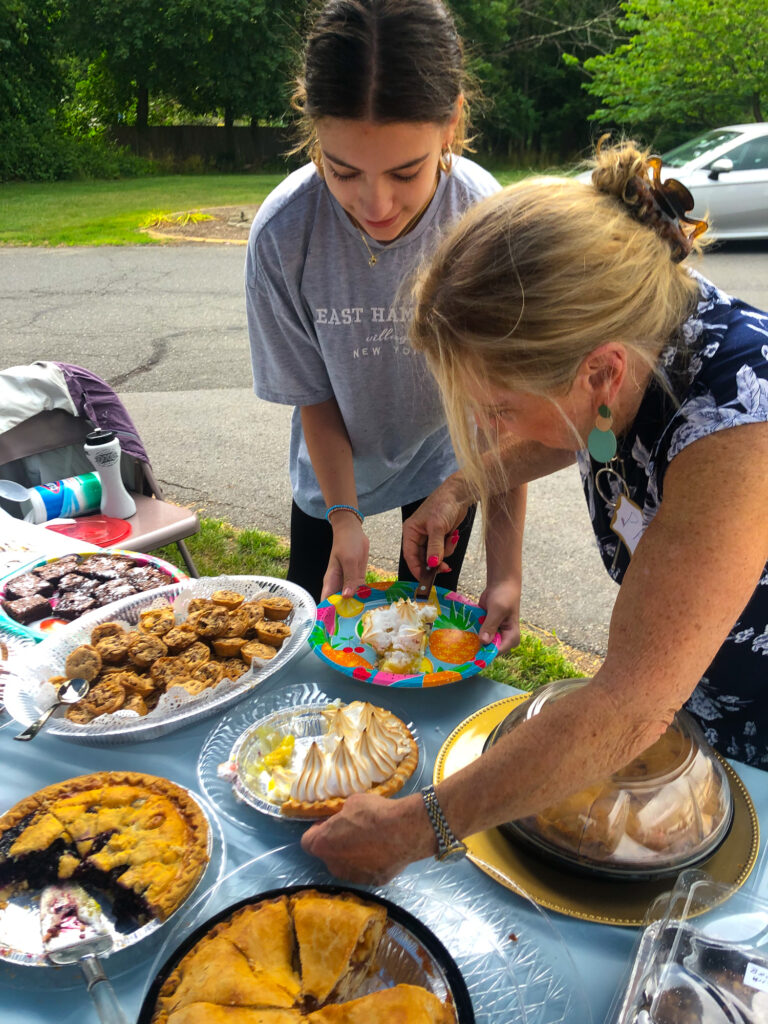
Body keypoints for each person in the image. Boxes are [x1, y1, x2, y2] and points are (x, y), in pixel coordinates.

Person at [300, 140, 768, 884]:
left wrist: (412, 829)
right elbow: (591, 428)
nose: (490, 428)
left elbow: (628, 706)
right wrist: (463, 485)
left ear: (602, 371)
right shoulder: (639, 323)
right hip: (699, 693)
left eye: (499, 409)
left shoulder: (740, 430)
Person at [245, 0, 501, 605]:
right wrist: (343, 516)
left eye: (406, 173)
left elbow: (501, 406)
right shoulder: (284, 234)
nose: (376, 205)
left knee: (428, 616)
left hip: (447, 461)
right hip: (331, 469)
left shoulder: (482, 218)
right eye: (342, 171)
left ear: (451, 121)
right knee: (313, 613)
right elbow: (314, 395)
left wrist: (504, 567)